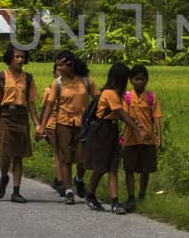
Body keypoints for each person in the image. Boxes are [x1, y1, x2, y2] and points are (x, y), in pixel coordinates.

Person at [36, 51, 94, 204]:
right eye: (58, 65)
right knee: (65, 158)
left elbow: (98, 99)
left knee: (83, 158)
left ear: (71, 64)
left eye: (62, 65)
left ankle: (79, 178)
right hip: (63, 124)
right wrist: (42, 126)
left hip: (82, 125)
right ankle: (68, 191)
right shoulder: (58, 83)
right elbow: (49, 105)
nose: (59, 68)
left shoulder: (86, 81)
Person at [82, 62, 131, 213]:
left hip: (111, 129)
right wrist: (136, 127)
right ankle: (91, 195)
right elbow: (121, 113)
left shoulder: (118, 94)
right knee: (100, 166)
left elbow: (120, 115)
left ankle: (114, 202)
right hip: (103, 130)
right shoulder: (109, 93)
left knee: (112, 167)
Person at [0, 46, 36, 203]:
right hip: (5, 116)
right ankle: (4, 177)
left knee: (18, 155)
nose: (20, 59)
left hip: (21, 116)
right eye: (17, 56)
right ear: (10, 58)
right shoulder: (1, 77)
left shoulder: (28, 78)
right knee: (5, 155)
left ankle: (16, 191)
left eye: (22, 57)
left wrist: (37, 124)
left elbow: (31, 103)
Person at [119, 64, 162, 213]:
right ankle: (131, 197)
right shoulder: (127, 97)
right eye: (136, 79)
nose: (139, 82)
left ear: (147, 80)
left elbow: (156, 117)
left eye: (142, 79)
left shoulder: (151, 97)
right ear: (131, 80)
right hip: (131, 139)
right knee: (129, 169)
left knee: (146, 169)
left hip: (147, 139)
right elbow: (124, 116)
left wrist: (159, 136)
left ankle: (142, 195)